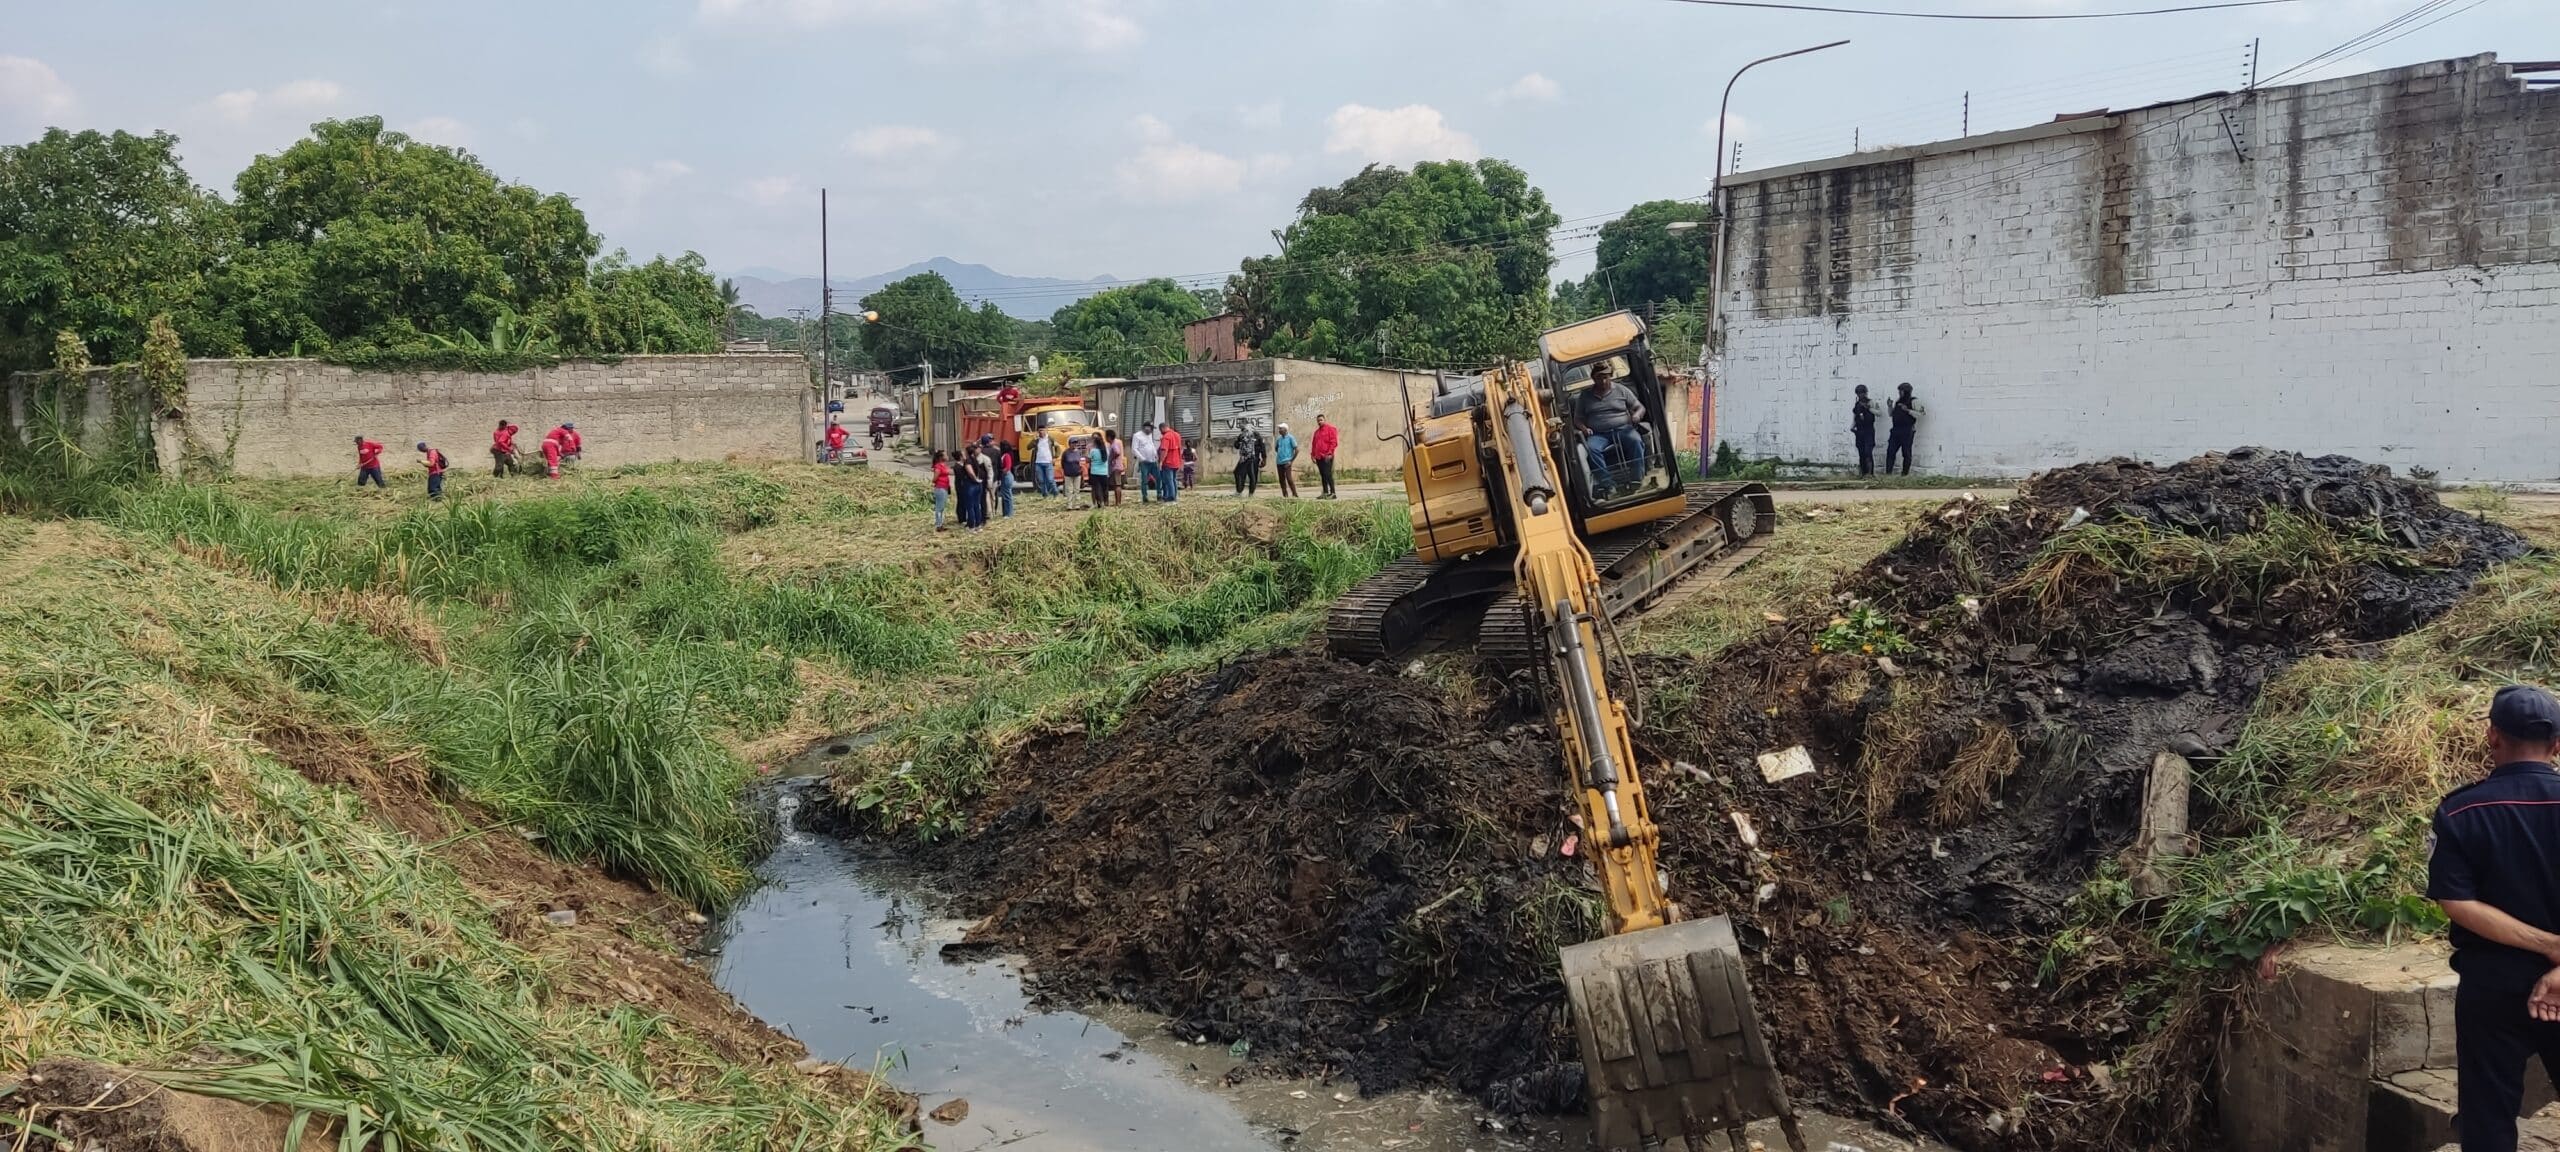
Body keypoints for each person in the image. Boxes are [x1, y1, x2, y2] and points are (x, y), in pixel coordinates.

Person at [2430, 684, 2560, 1152]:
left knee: (2487, 1121)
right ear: (2558, 745)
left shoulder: (2462, 810)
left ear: (2492, 736)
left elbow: (2457, 901)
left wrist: (2549, 946)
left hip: (2492, 989)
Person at [1574, 361, 1648, 496]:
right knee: (1591, 449)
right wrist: (1584, 429)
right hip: (1598, 434)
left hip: (1624, 429)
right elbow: (1577, 419)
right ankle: (1608, 484)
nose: (1603, 381)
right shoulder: (1585, 396)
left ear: (1610, 376)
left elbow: (1639, 407)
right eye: (1599, 378)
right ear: (1593, 378)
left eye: (1605, 377)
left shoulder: (1621, 390)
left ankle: (1637, 479)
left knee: (1636, 441)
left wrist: (1637, 415)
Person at [1886, 383, 1921, 476]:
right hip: (1896, 430)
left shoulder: (1914, 401)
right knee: (1890, 451)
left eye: (1901, 391)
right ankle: (1888, 473)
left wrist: (1908, 410)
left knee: (1906, 453)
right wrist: (1890, 406)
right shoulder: (1898, 401)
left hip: (1907, 430)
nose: (1899, 393)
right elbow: (1891, 414)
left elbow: (1920, 414)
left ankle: (1904, 474)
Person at [955, 442, 988, 531]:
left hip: (970, 485)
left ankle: (971, 526)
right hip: (978, 486)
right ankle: (978, 524)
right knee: (977, 505)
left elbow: (970, 471)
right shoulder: (975, 460)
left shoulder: (968, 461)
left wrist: (974, 479)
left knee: (970, 507)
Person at [1232, 424, 1267, 497]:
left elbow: (1263, 448)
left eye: (1246, 430)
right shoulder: (1242, 436)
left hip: (1253, 459)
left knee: (1252, 475)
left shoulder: (1257, 436)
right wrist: (1238, 442)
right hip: (1244, 459)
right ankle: (1239, 491)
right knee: (1239, 473)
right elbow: (1236, 445)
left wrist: (1264, 459)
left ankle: (1251, 493)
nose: (1245, 431)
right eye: (1244, 430)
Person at [1851, 385, 1878, 478]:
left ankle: (1870, 473)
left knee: (1868, 452)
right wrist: (1853, 426)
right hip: (1859, 430)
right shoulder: (1857, 404)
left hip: (1868, 430)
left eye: (1862, 393)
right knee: (1861, 453)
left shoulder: (1871, 402)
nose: (1860, 395)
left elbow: (1879, 413)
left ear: (1865, 393)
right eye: (1858, 393)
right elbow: (1856, 416)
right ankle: (1863, 473)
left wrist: (1868, 408)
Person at [1311, 414, 1340, 499]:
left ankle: (1333, 493)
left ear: (1324, 420)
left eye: (1321, 420)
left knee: (1328, 474)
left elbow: (1334, 442)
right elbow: (1314, 444)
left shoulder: (1330, 429)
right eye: (1318, 420)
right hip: (1319, 457)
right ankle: (1325, 492)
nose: (1319, 422)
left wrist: (1330, 453)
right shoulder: (1316, 432)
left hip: (1327, 456)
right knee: (1323, 475)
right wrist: (1313, 455)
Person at [1156, 422, 1184, 504]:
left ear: (1162, 428)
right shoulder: (1177, 435)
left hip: (1168, 462)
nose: (1161, 432)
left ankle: (1171, 497)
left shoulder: (1166, 437)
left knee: (1169, 480)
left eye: (1160, 430)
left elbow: (1164, 450)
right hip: (1176, 461)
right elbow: (1180, 448)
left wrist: (1161, 461)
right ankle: (1175, 496)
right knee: (1174, 480)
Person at [1134, 422, 1160, 505]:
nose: (1152, 430)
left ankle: (1159, 494)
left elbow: (1151, 446)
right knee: (1144, 480)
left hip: (1153, 461)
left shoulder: (1149, 435)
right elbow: (1134, 449)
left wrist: (1156, 455)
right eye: (1151, 428)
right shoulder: (1137, 436)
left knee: (1158, 478)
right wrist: (1142, 458)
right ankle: (1145, 496)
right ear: (1145, 428)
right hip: (1144, 462)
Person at [1060, 437, 1087, 510]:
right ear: (1069, 444)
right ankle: (1069, 505)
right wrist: (1064, 471)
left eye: (1075, 443)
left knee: (1077, 489)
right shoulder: (1065, 453)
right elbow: (1062, 463)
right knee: (1069, 490)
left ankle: (1077, 504)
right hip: (1068, 474)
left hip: (1077, 473)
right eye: (1073, 443)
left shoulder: (1078, 452)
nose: (1074, 444)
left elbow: (1080, 462)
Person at [1273, 422, 1300, 498]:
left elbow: (1297, 449)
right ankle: (1285, 495)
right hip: (1279, 462)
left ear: (1285, 429)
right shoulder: (1279, 439)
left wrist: (1291, 461)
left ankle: (1295, 494)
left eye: (1280, 429)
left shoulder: (1291, 438)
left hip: (1287, 462)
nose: (1279, 430)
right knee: (1281, 480)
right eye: (1279, 429)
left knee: (1289, 478)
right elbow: (1276, 448)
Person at [1103, 429, 1126, 507]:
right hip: (1116, 467)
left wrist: (1113, 459)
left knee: (1117, 485)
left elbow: (1117, 452)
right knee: (1116, 485)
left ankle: (1118, 502)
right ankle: (1118, 502)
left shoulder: (1114, 444)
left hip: (1116, 467)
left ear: (1109, 437)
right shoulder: (1114, 443)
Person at [931, 449, 953, 530]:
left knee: (942, 507)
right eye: (945, 455)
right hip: (940, 488)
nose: (947, 456)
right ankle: (938, 525)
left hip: (945, 487)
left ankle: (940, 523)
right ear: (941, 457)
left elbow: (950, 472)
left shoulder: (944, 465)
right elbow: (934, 478)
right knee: (939, 507)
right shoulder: (938, 466)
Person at [995, 441, 1017, 519]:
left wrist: (1000, 472)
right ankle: (1006, 512)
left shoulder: (1006, 455)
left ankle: (1009, 513)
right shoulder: (1004, 455)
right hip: (1006, 476)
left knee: (1007, 495)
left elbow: (1007, 467)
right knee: (1005, 495)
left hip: (1006, 476)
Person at [1033, 429, 1058, 497]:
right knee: (1041, 480)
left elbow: (1057, 447)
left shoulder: (1050, 438)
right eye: (1039, 431)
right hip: (1038, 463)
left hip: (1048, 462)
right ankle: (1045, 494)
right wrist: (1034, 439)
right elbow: (1028, 447)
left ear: (1046, 431)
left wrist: (1055, 457)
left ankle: (1055, 492)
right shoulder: (1037, 440)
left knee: (1050, 479)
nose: (1041, 432)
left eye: (1042, 430)